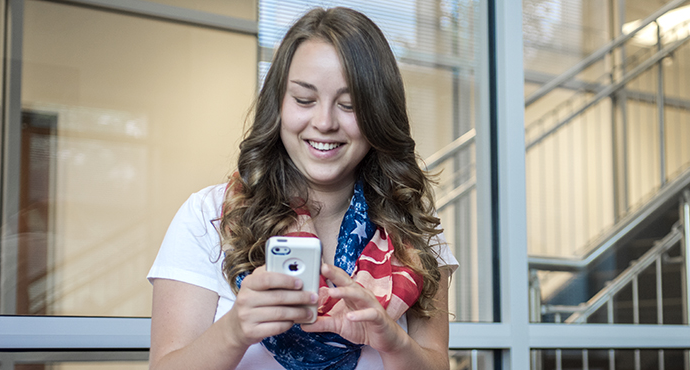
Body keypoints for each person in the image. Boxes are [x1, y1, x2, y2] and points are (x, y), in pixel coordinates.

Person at [146, 7, 457, 370]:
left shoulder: (413, 233)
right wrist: (234, 330)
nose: (324, 122)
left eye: (349, 105)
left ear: (379, 115)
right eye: (304, 100)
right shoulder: (207, 217)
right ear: (277, 105)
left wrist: (393, 341)